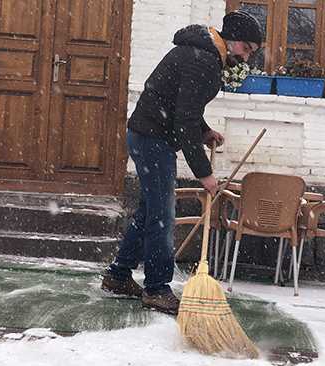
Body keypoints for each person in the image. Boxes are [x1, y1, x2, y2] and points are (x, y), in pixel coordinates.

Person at [101, 11, 263, 315]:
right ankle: (158, 290)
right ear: (233, 41)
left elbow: (182, 105)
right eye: (247, 49)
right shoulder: (204, 60)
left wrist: (204, 131)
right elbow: (183, 118)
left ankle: (119, 275)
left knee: (151, 210)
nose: (246, 58)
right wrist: (205, 173)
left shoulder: (199, 52)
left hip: (146, 134)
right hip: (154, 140)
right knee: (162, 218)